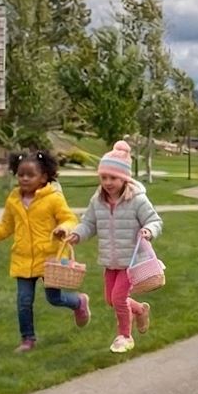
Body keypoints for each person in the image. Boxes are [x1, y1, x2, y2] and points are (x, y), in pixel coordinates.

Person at [0, 149, 86, 353]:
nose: (24, 179)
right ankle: (28, 339)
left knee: (54, 298)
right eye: (20, 174)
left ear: (43, 177)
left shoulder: (53, 198)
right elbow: (5, 227)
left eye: (30, 175)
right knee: (24, 302)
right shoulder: (13, 200)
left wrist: (63, 229)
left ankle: (79, 302)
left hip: (49, 258)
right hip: (23, 260)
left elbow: (70, 219)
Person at [58, 140, 162, 354]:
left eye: (113, 177)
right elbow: (89, 223)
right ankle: (140, 310)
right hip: (110, 261)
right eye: (104, 177)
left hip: (131, 262)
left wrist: (149, 231)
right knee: (110, 300)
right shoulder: (98, 201)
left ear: (124, 178)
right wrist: (77, 234)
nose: (107, 182)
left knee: (118, 298)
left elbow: (155, 220)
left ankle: (125, 336)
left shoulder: (137, 201)